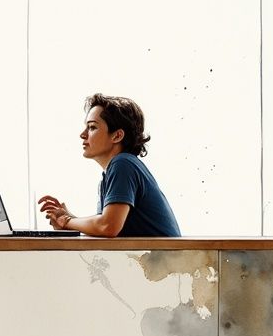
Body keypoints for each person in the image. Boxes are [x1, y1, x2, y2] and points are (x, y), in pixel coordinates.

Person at [39, 94, 180, 238]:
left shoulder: (123, 164)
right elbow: (104, 226)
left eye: (92, 127)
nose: (83, 134)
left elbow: (107, 226)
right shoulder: (117, 169)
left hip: (164, 253)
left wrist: (67, 221)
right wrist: (69, 219)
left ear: (117, 136)